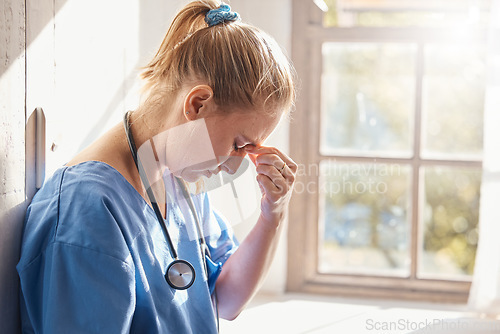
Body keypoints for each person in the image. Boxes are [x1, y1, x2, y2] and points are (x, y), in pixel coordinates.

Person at [16, 1, 297, 333]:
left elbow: (226, 298)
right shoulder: (88, 209)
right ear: (197, 104)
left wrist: (272, 213)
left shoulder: (179, 180)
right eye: (238, 144)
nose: (236, 165)